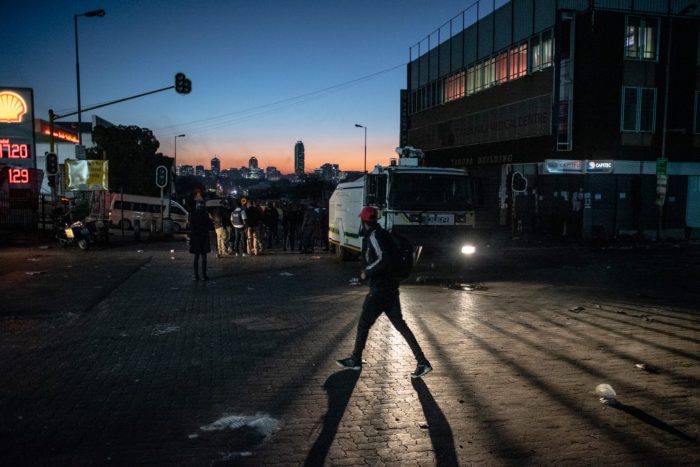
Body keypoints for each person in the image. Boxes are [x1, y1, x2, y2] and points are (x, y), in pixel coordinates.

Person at [336, 206, 432, 379]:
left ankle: (355, 360)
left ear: (364, 221)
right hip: (391, 287)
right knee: (401, 325)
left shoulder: (374, 236)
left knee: (364, 324)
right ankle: (422, 361)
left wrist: (367, 272)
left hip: (380, 288)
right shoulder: (383, 234)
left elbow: (383, 259)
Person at [188, 199, 210, 280]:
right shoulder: (205, 215)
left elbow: (190, 226)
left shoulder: (192, 215)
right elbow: (209, 226)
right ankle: (204, 275)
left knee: (196, 257)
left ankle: (195, 275)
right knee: (204, 257)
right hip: (203, 238)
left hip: (195, 238)